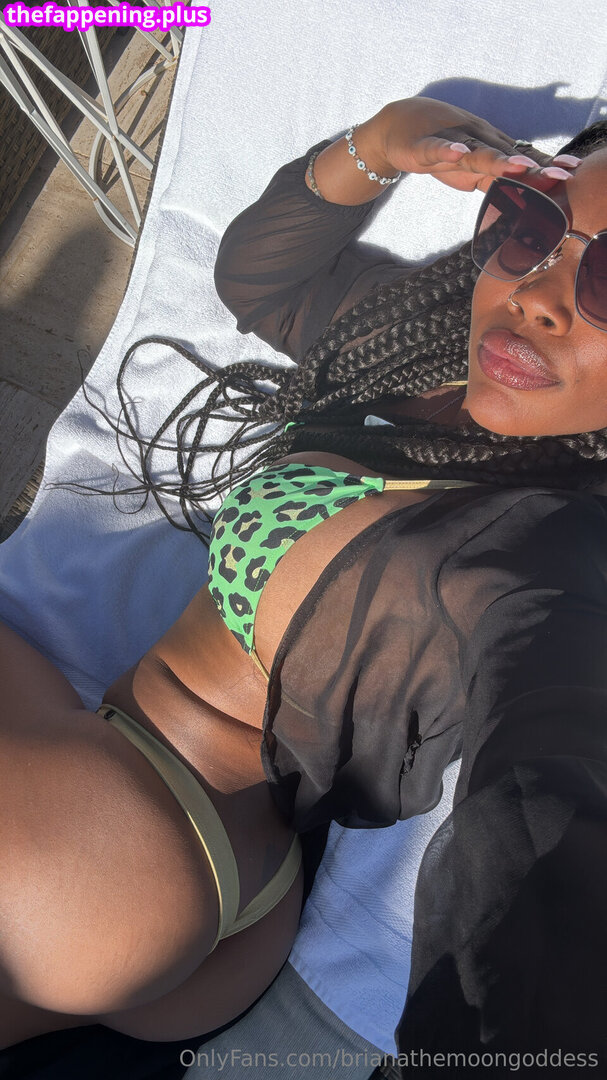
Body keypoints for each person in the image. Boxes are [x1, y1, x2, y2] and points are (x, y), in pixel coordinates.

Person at [1, 97, 606, 1067]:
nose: (538, 294)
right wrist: (381, 144)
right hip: (218, 895)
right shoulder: (425, 353)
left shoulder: (547, 552)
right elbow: (260, 280)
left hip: (110, 845)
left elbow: (548, 775)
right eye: (534, 228)